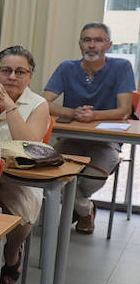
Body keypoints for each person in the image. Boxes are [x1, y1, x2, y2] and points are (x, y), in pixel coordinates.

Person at [0, 46, 52, 284]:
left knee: (25, 208)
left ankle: (12, 252)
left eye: (19, 72)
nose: (12, 77)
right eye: (5, 70)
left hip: (19, 177)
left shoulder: (38, 104)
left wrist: (10, 106)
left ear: (30, 77)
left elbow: (30, 146)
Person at [44, 22, 136, 233]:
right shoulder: (67, 67)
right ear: (80, 44)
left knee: (90, 181)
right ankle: (86, 209)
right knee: (52, 174)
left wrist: (94, 116)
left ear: (109, 45)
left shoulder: (121, 67)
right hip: (72, 139)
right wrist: (72, 112)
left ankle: (77, 205)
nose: (92, 45)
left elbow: (123, 110)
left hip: (106, 142)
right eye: (87, 40)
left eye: (98, 40)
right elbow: (45, 102)